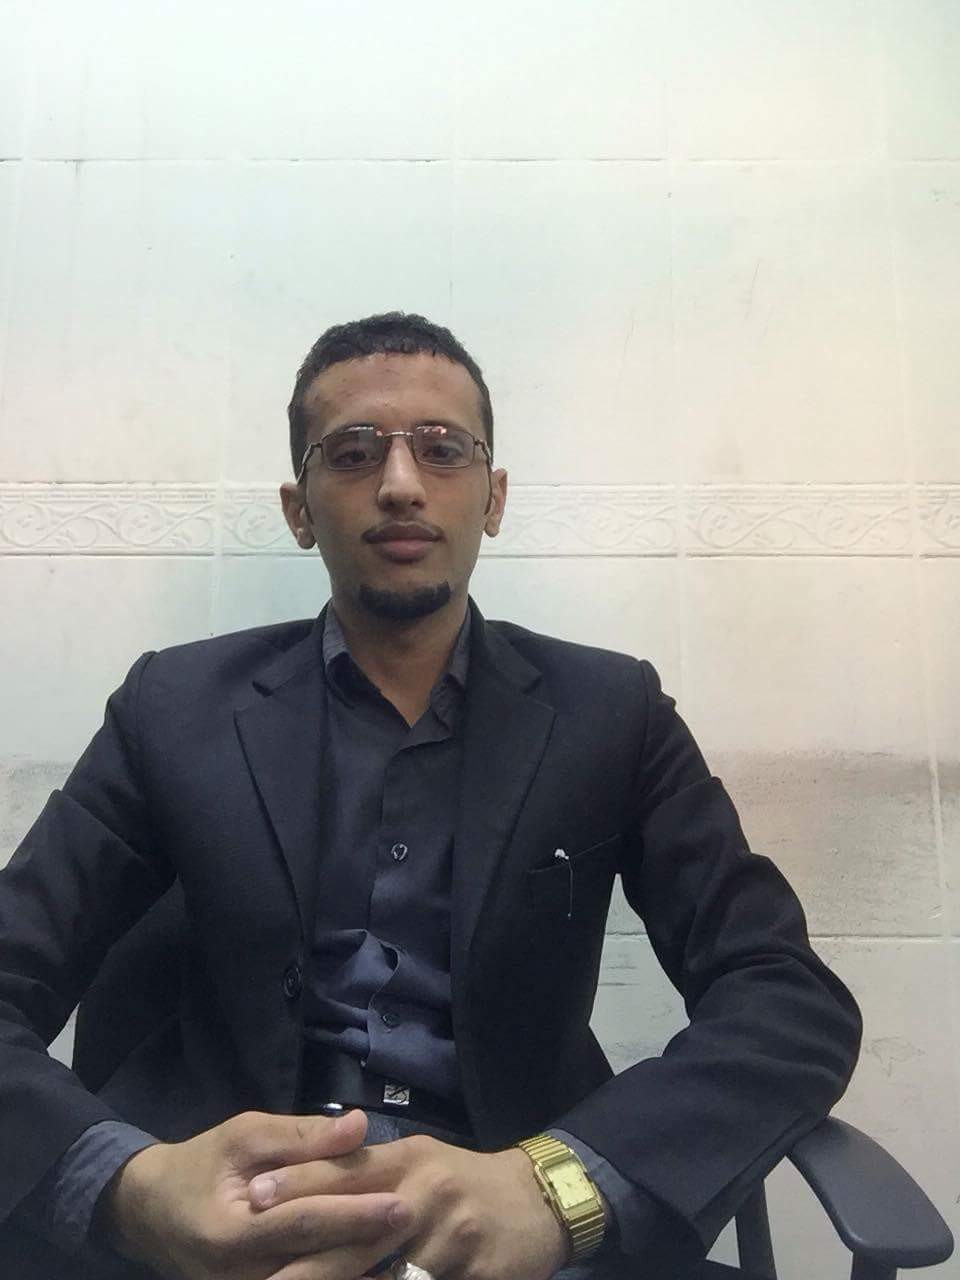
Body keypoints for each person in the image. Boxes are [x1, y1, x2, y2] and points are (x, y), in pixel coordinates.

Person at [0, 312, 862, 1280]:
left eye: (443, 449)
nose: (401, 483)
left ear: (494, 498)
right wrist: (131, 1186)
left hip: (512, 1224)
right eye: (354, 452)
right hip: (217, 1230)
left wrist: (560, 1186)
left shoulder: (611, 712)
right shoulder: (173, 706)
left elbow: (785, 998)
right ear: (298, 509)